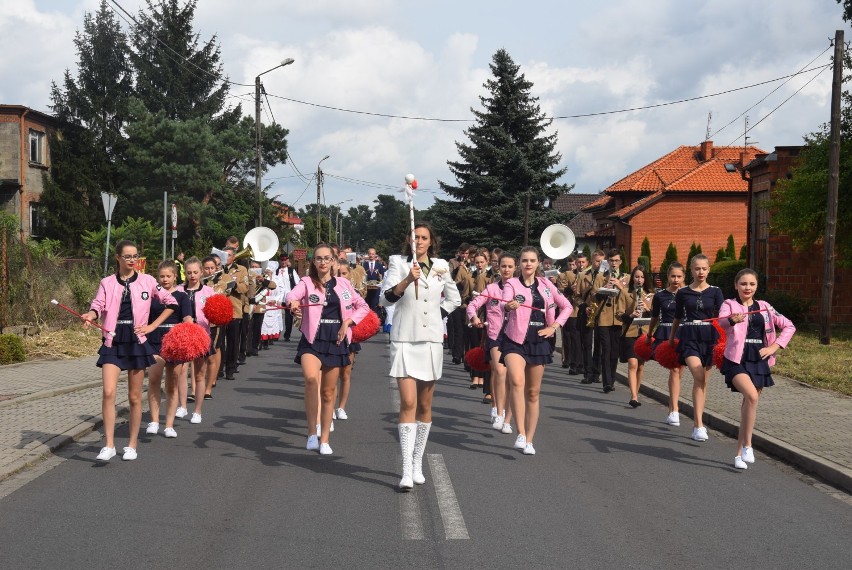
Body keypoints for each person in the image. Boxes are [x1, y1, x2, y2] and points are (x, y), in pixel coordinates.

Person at [381, 222, 461, 489]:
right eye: (415, 237)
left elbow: (454, 299)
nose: (420, 241)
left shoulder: (441, 265)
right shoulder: (398, 264)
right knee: (407, 402)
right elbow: (386, 299)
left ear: (431, 241)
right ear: (409, 239)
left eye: (424, 237)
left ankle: (417, 461)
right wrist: (407, 279)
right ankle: (405, 469)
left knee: (425, 406)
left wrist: (439, 317)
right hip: (404, 339)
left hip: (430, 341)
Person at [82, 240, 178, 462]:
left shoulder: (148, 281)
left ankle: (132, 445)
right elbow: (98, 305)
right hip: (113, 340)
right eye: (128, 257)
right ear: (118, 258)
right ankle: (109, 445)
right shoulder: (106, 282)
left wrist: (152, 326)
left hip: (136, 340)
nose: (133, 260)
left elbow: (171, 302)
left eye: (135, 256)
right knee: (108, 392)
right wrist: (90, 315)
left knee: (135, 397)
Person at [286, 244, 370, 456]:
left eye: (326, 258)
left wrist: (348, 322)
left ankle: (324, 439)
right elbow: (292, 295)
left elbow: (363, 306)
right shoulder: (306, 282)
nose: (322, 262)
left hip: (336, 339)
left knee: (328, 392)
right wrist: (294, 302)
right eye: (318, 259)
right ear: (313, 262)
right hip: (312, 338)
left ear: (333, 260)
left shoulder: (343, 284)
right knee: (311, 379)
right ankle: (311, 433)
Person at [718, 268, 795, 470]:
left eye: (752, 284)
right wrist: (731, 320)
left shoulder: (765, 307)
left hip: (759, 358)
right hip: (736, 359)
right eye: (743, 284)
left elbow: (789, 326)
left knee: (748, 405)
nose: (747, 287)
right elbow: (722, 321)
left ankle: (738, 454)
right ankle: (749, 445)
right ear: (736, 285)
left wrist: (774, 347)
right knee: (751, 396)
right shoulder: (729, 304)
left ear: (757, 286)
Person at [501, 246, 572, 455]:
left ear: (538, 263)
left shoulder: (546, 284)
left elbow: (567, 306)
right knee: (516, 381)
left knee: (533, 392)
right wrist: (509, 306)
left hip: (539, 339)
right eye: (524, 260)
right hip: (515, 339)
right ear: (519, 263)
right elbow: (505, 302)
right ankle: (520, 433)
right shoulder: (512, 284)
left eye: (532, 260)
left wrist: (555, 326)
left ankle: (530, 440)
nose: (528, 264)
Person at [669, 254, 724, 442]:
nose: (700, 272)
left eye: (704, 268)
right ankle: (700, 424)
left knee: (703, 383)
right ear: (691, 270)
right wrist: (671, 338)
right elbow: (677, 317)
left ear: (709, 270)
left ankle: (696, 425)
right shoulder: (683, 292)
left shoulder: (716, 292)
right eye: (697, 268)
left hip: (709, 338)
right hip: (689, 336)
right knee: (698, 376)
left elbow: (723, 317)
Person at [468, 251, 516, 434]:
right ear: (498, 267)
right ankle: (498, 409)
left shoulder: (520, 289)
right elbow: (473, 305)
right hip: (495, 335)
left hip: (515, 337)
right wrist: (473, 317)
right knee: (499, 370)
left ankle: (507, 416)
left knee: (512, 378)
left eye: (510, 266)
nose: (506, 269)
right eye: (503, 265)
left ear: (515, 268)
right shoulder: (492, 289)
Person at [145, 260, 193, 437]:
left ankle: (169, 424)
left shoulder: (182, 296)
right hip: (155, 340)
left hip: (175, 342)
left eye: (168, 276)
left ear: (175, 277)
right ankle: (154, 420)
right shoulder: (153, 296)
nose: (165, 279)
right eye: (162, 276)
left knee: (172, 385)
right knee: (154, 379)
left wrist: (189, 324)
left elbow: (187, 316)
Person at [178, 256, 216, 424]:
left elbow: (214, 315)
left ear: (201, 272)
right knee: (180, 371)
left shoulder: (209, 292)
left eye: (195, 272)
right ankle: (183, 406)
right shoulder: (178, 290)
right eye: (189, 273)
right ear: (184, 273)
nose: (192, 276)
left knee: (199, 374)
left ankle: (198, 411)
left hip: (201, 335)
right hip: (182, 335)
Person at [647, 262, 686, 425]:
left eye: (679, 276)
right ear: (668, 277)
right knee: (675, 369)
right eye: (673, 276)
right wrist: (649, 334)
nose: (676, 279)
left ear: (684, 277)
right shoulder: (660, 295)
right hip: (666, 333)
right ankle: (675, 409)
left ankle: (672, 407)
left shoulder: (688, 294)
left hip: (684, 333)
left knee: (679, 371)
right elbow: (655, 316)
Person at [590, 249, 628, 393]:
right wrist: (603, 289)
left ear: (620, 262)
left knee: (614, 352)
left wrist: (620, 287)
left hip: (618, 319)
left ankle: (612, 379)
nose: (614, 263)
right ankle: (606, 382)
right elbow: (593, 297)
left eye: (616, 260)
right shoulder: (601, 276)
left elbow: (630, 298)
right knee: (605, 350)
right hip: (604, 318)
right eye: (611, 261)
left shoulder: (626, 278)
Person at [616, 265, 654, 407]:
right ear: (633, 278)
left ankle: (636, 394)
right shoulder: (625, 293)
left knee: (641, 366)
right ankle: (633, 396)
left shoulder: (650, 295)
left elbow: (656, 316)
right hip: (630, 333)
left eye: (642, 277)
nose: (639, 279)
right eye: (637, 276)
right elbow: (619, 314)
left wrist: (647, 308)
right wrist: (631, 315)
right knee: (633, 363)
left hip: (644, 333)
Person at [335, 263, 364, 420]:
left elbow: (362, 309)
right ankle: (330, 407)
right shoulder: (328, 289)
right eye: (338, 273)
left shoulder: (353, 292)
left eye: (344, 273)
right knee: (331, 375)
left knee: (345, 374)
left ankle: (341, 407)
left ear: (349, 275)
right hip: (331, 334)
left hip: (349, 336)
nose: (340, 276)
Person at [222, 246, 249, 380]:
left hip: (234, 310)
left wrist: (233, 284)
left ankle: (230, 368)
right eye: (224, 255)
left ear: (233, 257)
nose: (226, 258)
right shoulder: (217, 268)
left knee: (233, 341)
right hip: (218, 309)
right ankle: (219, 367)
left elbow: (245, 287)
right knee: (219, 342)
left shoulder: (241, 269)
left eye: (228, 255)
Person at [556, 255, 581, 372]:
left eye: (574, 264)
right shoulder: (563, 275)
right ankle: (567, 359)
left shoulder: (584, 275)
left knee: (577, 337)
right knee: (567, 337)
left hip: (580, 309)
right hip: (568, 310)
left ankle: (577, 362)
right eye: (570, 264)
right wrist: (571, 289)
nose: (572, 266)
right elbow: (561, 291)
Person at [277, 253, 299, 341]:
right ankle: (275, 334)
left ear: (287, 260)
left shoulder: (291, 271)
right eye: (282, 260)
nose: (283, 262)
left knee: (288, 317)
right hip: (278, 297)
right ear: (279, 261)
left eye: (285, 260)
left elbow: (297, 283)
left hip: (288, 297)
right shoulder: (276, 271)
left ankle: (287, 335)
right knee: (276, 316)